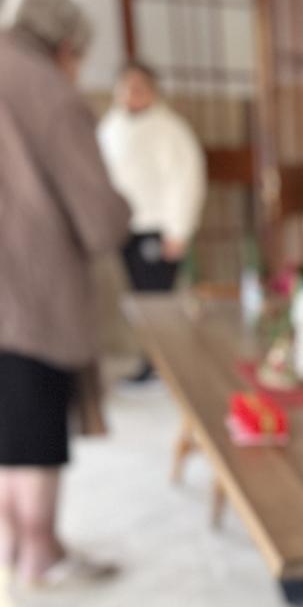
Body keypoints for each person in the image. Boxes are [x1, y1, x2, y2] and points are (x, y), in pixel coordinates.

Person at [0, 0, 131, 586]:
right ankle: (41, 553)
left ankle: (13, 544)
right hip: (28, 298)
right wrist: (124, 213)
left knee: (7, 428)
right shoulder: (48, 91)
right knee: (32, 430)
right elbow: (100, 220)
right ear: (65, 43)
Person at [97, 59, 206, 380]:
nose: (131, 95)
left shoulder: (171, 129)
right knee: (136, 299)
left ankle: (163, 363)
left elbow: (186, 182)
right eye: (125, 88)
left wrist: (179, 231)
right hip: (125, 228)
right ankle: (151, 360)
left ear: (153, 91)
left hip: (158, 229)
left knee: (156, 300)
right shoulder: (110, 127)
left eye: (138, 88)